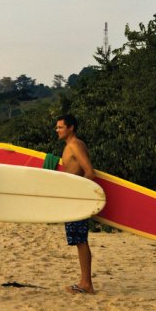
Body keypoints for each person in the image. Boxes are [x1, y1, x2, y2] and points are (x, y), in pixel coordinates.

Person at [56, 114, 97, 294]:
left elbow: (89, 172)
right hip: (73, 198)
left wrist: (81, 196)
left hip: (77, 199)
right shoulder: (70, 146)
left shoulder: (74, 146)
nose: (57, 130)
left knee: (81, 241)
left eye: (60, 127)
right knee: (79, 240)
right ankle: (84, 281)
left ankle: (86, 284)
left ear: (70, 128)